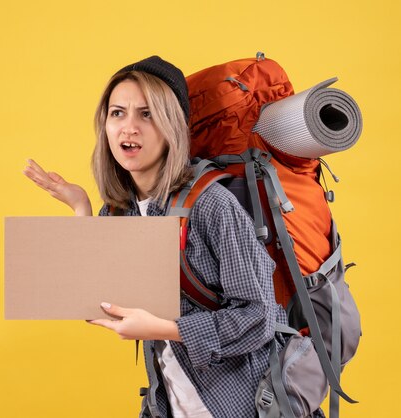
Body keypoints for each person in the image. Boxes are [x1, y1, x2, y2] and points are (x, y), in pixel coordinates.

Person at [23, 56, 286, 418]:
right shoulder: (120, 209)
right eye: (118, 113)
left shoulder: (212, 205)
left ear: (171, 127)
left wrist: (163, 328)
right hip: (170, 404)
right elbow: (93, 300)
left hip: (240, 406)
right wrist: (80, 207)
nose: (129, 128)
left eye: (146, 114)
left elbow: (259, 319)